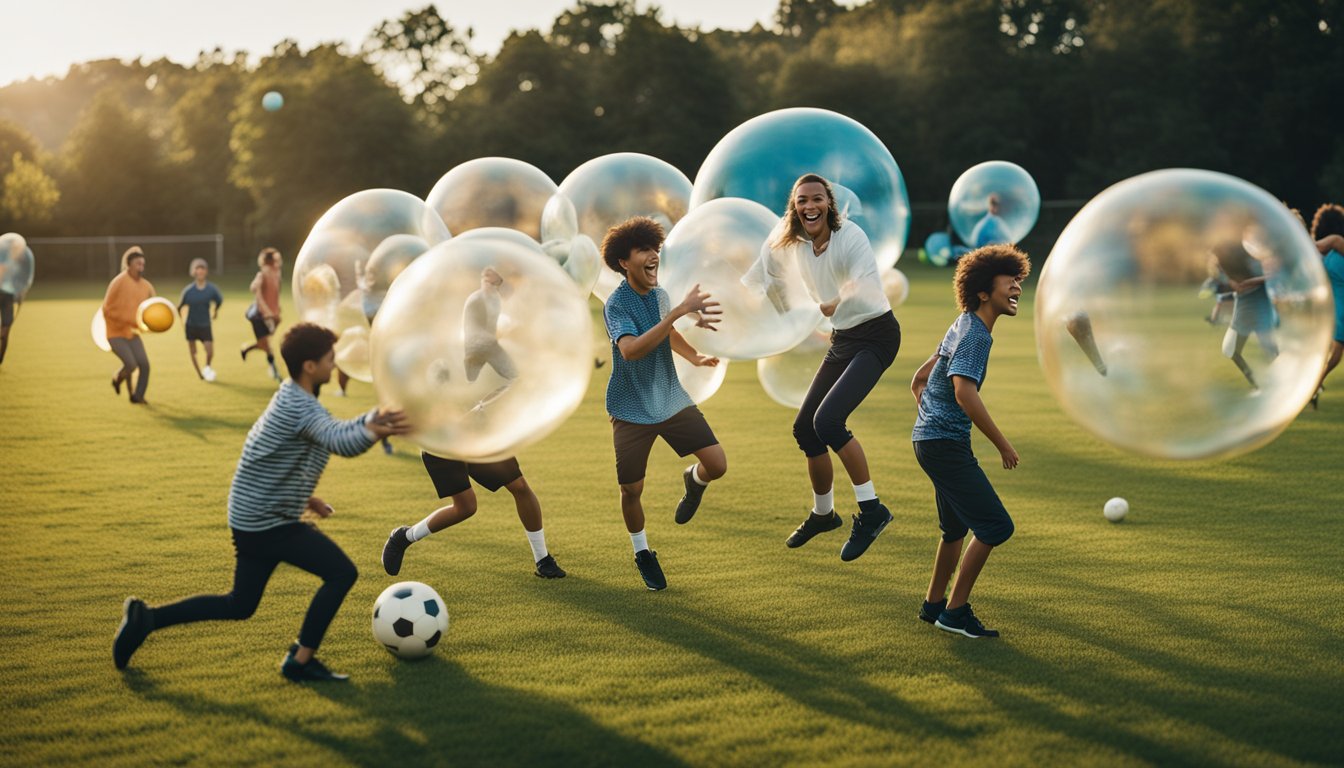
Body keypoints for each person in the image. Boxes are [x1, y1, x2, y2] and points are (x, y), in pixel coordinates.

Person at [112, 323, 412, 681]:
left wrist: (311, 492)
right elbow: (339, 440)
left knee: (240, 604)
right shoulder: (300, 406)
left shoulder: (291, 395)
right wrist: (378, 428)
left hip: (253, 516)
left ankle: (147, 618)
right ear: (310, 366)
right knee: (341, 573)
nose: (336, 365)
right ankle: (299, 661)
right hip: (267, 521)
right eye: (330, 359)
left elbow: (287, 448)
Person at [746, 173, 901, 561]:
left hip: (877, 334)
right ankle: (823, 514)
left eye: (817, 199)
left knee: (828, 422)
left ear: (829, 203)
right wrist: (765, 308)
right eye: (802, 201)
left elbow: (864, 281)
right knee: (805, 429)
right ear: (794, 207)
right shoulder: (788, 238)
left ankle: (872, 510)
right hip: (843, 338)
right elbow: (760, 277)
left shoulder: (850, 236)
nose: (809, 206)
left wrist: (834, 301)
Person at [910, 244, 1030, 639]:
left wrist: (929, 418)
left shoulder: (960, 323)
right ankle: (955, 612)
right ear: (982, 290)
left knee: (954, 529)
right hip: (944, 443)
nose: (1017, 286)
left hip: (930, 440)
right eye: (1009, 280)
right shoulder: (977, 335)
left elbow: (920, 379)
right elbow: (964, 392)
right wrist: (1002, 444)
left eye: (1019, 280)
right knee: (996, 526)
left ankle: (933, 606)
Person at [601, 216, 726, 591]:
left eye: (655, 248)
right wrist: (677, 312)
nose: (653, 255)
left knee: (717, 465)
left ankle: (693, 480)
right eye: (643, 250)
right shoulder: (616, 305)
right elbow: (631, 351)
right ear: (624, 262)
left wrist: (696, 358)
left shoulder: (661, 296)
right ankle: (642, 551)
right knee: (631, 491)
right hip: (629, 408)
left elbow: (667, 333)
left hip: (670, 399)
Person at [381, 453, 566, 580]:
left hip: (477, 434)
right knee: (466, 507)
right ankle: (404, 537)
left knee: (519, 486)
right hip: (440, 441)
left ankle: (543, 560)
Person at [1213, 240, 1278, 391]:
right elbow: (1237, 285)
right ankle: (1257, 383)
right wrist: (1236, 282)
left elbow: (1270, 275)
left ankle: (1279, 384)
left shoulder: (1251, 259)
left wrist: (1252, 281)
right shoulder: (1227, 267)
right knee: (1231, 350)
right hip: (1244, 305)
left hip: (1259, 302)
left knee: (1270, 350)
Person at [101, 246, 155, 404]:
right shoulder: (118, 282)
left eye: (143, 264)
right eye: (138, 264)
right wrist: (128, 320)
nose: (141, 267)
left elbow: (152, 307)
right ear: (129, 265)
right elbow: (106, 309)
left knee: (144, 365)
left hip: (133, 333)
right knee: (131, 364)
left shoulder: (146, 286)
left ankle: (138, 396)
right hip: (115, 333)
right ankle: (117, 379)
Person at [1310, 204, 1344, 409]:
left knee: (1337, 347)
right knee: (1335, 347)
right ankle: (1316, 383)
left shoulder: (1336, 242)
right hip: (1334, 305)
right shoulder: (1333, 249)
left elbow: (1315, 246)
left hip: (1339, 305)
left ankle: (1315, 383)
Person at [177, 258, 223, 381]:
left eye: (203, 269)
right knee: (193, 351)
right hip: (191, 325)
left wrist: (215, 312)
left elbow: (219, 301)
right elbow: (179, 307)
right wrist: (182, 322)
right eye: (198, 269)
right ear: (194, 272)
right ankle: (199, 374)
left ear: (206, 272)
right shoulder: (188, 291)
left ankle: (207, 367)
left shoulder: (211, 289)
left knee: (209, 351)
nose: (200, 272)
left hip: (205, 325)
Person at [242, 247, 283, 380]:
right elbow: (254, 288)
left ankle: (246, 349)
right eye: (276, 258)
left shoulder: (277, 273)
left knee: (263, 343)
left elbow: (276, 293)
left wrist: (276, 310)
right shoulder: (263, 273)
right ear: (270, 260)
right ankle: (274, 370)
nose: (279, 260)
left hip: (273, 316)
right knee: (266, 345)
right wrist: (267, 311)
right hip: (260, 316)